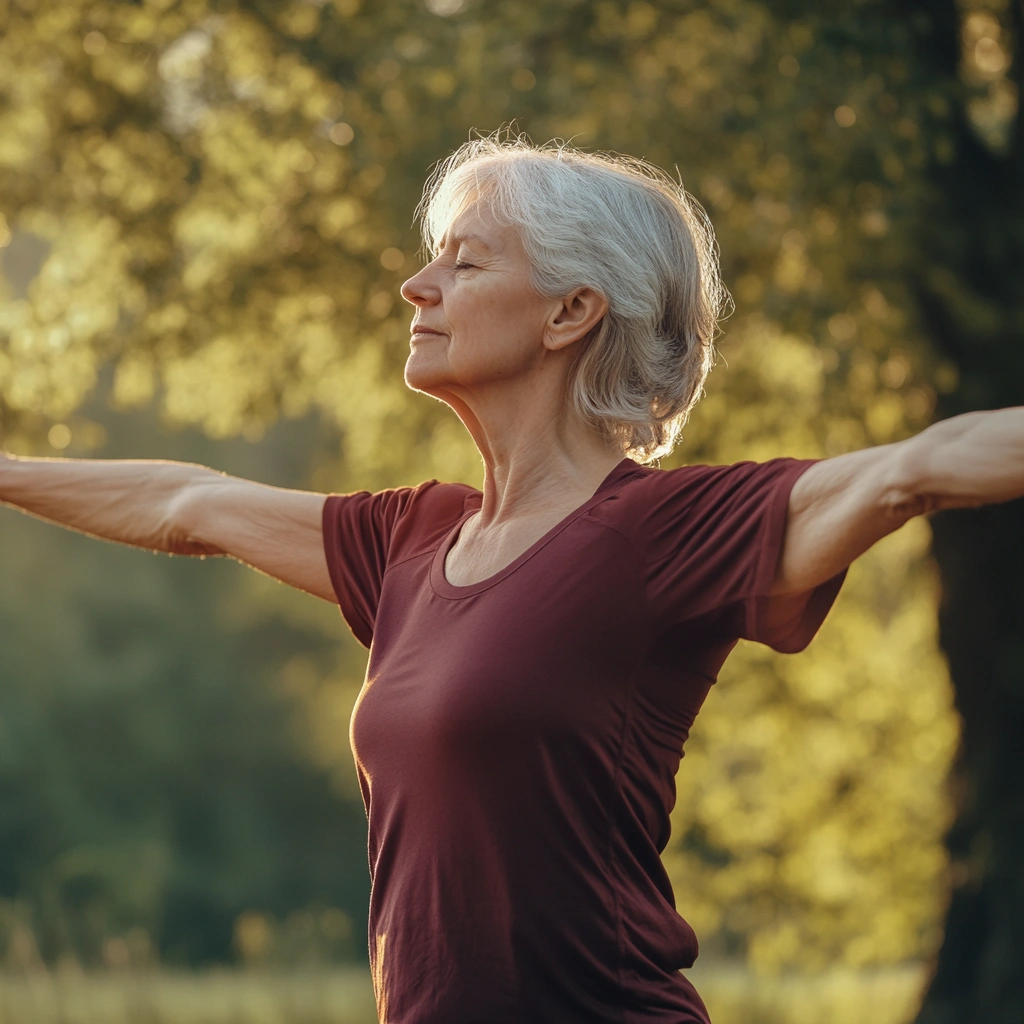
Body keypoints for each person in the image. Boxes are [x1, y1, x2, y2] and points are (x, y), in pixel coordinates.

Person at [0, 135, 1021, 1024]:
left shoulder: (657, 531)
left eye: (465, 261)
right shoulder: (409, 540)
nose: (417, 285)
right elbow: (186, 503)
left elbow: (911, 471)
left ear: (570, 310)